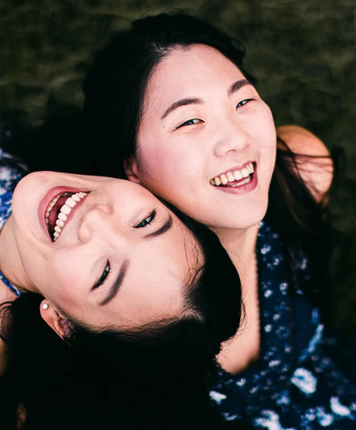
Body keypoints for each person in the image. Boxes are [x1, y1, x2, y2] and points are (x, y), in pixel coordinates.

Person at [0, 62, 243, 430]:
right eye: (145, 221)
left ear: (60, 322)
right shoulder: (75, 158)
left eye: (104, 273)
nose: (97, 219)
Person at [82, 12, 356, 428]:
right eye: (190, 120)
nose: (238, 139)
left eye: (243, 101)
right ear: (131, 166)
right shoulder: (114, 306)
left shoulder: (302, 174)